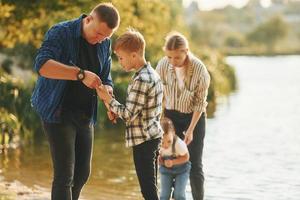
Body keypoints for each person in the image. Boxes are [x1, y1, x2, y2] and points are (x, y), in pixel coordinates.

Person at [30, 3, 120, 200]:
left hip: (85, 114)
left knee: (82, 174)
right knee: (65, 176)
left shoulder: (104, 42)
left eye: (105, 37)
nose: (99, 41)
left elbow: (106, 77)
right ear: (88, 19)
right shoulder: (61, 32)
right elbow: (42, 65)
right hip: (57, 110)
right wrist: (80, 74)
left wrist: (108, 98)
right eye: (97, 34)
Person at [96, 28, 163, 200]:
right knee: (151, 185)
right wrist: (113, 108)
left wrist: (107, 99)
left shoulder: (141, 79)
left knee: (148, 189)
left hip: (144, 140)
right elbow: (138, 110)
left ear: (134, 55)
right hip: (152, 136)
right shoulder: (151, 74)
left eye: (121, 58)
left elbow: (128, 114)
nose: (120, 62)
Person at [156, 31, 210, 200]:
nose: (173, 62)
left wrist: (191, 129)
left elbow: (200, 103)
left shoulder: (199, 69)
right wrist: (160, 122)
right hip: (170, 117)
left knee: (194, 165)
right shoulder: (164, 65)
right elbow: (158, 94)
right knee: (169, 159)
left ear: (186, 51)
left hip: (194, 117)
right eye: (169, 57)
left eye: (177, 58)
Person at [159, 117, 191, 200]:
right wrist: (161, 161)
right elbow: (157, 158)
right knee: (164, 196)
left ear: (173, 133)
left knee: (179, 195)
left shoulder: (179, 144)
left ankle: (177, 193)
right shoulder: (157, 144)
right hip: (166, 171)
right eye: (162, 142)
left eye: (169, 141)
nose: (165, 145)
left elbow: (186, 157)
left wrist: (173, 162)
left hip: (182, 170)